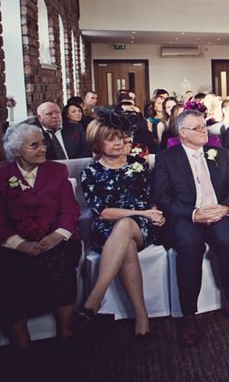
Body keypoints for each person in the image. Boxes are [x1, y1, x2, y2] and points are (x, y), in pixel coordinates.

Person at [152, 110, 229, 347]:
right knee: (189, 245)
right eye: (198, 128)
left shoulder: (220, 154)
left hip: (217, 213)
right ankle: (189, 314)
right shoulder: (166, 158)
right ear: (183, 133)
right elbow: (162, 198)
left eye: (204, 126)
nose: (205, 131)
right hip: (186, 216)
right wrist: (193, 213)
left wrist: (225, 208)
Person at [77, 111, 165, 342]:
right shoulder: (90, 172)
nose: (117, 143)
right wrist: (141, 212)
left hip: (141, 226)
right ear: (97, 142)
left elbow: (152, 197)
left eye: (120, 137)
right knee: (124, 237)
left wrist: (155, 213)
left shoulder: (139, 164)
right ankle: (141, 315)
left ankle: (94, 299)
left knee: (126, 226)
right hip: (107, 227)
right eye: (110, 138)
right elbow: (103, 212)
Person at [0, 123, 81, 349]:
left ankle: (65, 329)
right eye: (34, 145)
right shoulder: (3, 175)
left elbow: (70, 209)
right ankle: (21, 338)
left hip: (55, 237)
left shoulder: (57, 171)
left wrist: (57, 235)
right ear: (16, 151)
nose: (42, 148)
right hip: (16, 242)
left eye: (43, 143)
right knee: (7, 270)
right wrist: (20, 244)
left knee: (63, 261)